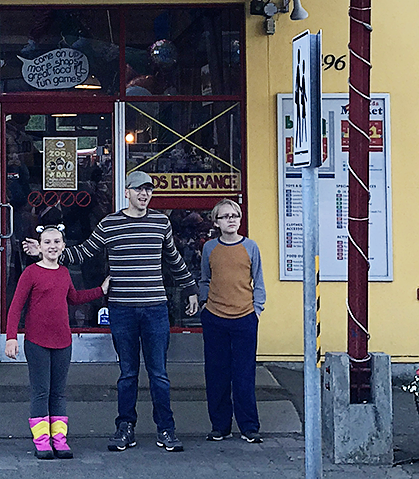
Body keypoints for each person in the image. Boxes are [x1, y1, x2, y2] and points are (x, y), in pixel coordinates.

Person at [23, 170, 199, 453]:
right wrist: (48, 253)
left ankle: (166, 429)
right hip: (122, 309)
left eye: (149, 190)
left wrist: (190, 288)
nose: (144, 194)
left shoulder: (160, 222)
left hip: (155, 307)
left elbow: (174, 259)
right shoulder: (111, 224)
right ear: (126, 192)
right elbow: (84, 252)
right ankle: (125, 428)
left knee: (159, 374)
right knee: (127, 373)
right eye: (139, 189)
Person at [5, 224, 111, 460]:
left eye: (57, 242)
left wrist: (100, 290)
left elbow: (74, 298)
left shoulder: (64, 272)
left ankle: (59, 439)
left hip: (63, 341)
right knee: (41, 392)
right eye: (47, 242)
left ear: (64, 246)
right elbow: (15, 307)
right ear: (39, 247)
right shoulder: (31, 273)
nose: (52, 246)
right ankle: (42, 441)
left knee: (59, 393)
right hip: (37, 342)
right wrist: (11, 336)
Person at [199, 199, 266, 444]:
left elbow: (258, 281)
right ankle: (220, 426)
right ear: (217, 222)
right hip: (215, 318)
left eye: (235, 215)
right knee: (216, 374)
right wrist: (205, 304)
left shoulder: (251, 247)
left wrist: (256, 310)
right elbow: (205, 279)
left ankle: (249, 427)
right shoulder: (209, 248)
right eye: (226, 216)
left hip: (245, 318)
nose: (231, 220)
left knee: (244, 374)